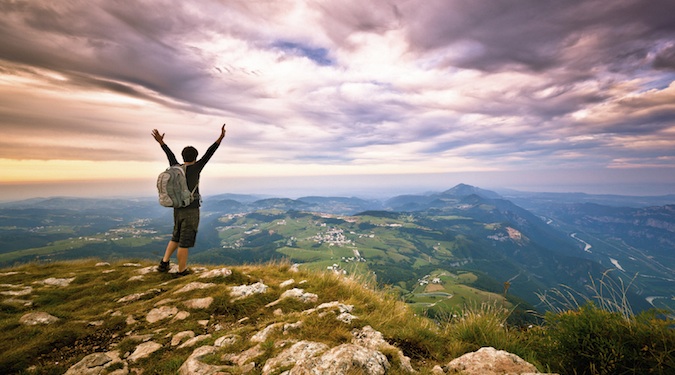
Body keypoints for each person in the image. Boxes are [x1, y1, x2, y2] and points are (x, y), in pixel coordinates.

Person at [151, 124, 226, 276]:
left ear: (183, 157)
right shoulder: (196, 167)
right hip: (191, 209)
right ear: (196, 157)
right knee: (184, 242)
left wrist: (161, 142)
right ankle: (182, 271)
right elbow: (209, 153)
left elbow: (170, 155)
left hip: (177, 208)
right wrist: (220, 138)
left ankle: (164, 263)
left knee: (176, 236)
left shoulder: (175, 168)